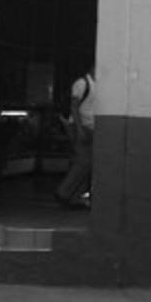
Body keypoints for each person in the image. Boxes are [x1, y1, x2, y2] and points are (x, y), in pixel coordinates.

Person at [55, 64, 95, 209]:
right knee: (84, 162)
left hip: (90, 128)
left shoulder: (96, 85)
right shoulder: (82, 83)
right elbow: (74, 107)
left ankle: (75, 197)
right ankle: (63, 193)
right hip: (79, 126)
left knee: (84, 162)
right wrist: (79, 129)